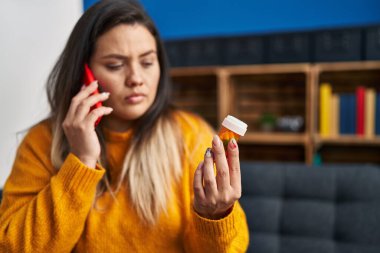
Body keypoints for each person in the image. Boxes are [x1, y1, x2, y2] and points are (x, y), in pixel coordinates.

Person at [0, 0, 249, 252]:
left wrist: (214, 217)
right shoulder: (42, 141)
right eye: (115, 65)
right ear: (83, 73)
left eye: (147, 62)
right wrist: (82, 160)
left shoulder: (190, 135)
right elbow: (13, 247)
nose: (136, 79)